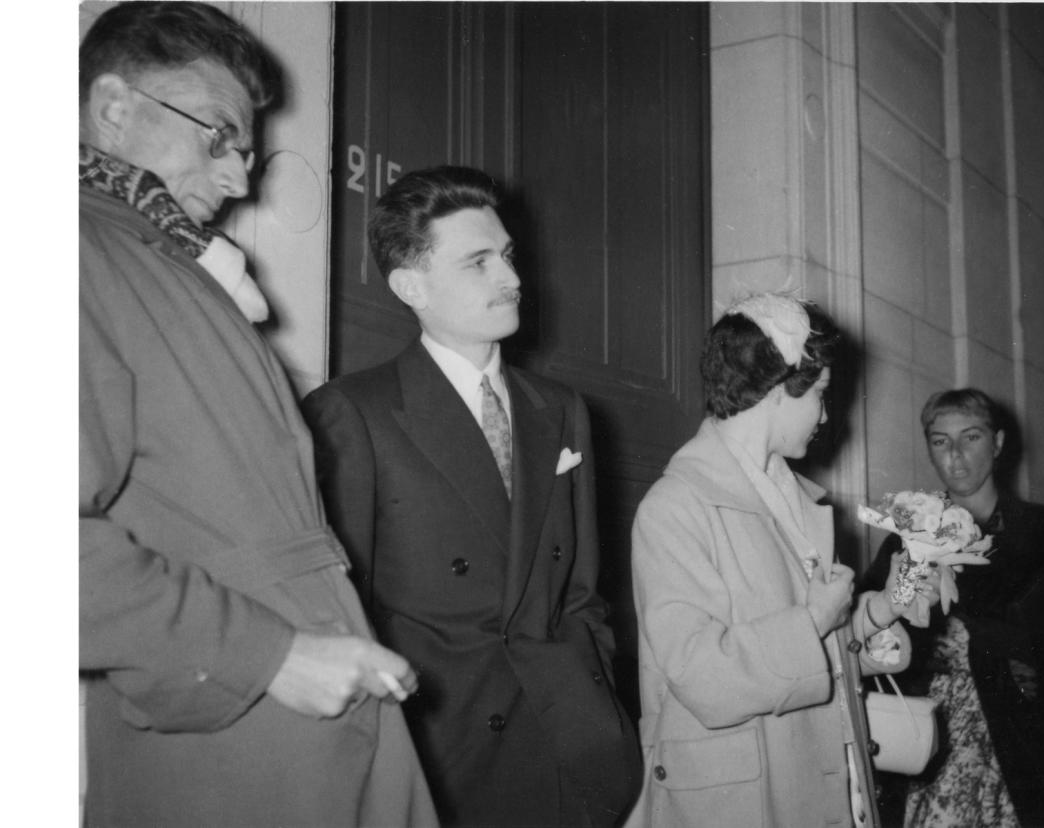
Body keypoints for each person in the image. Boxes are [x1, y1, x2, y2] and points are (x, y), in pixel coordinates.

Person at [79, 3, 437, 826]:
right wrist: (266, 655)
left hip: (302, 720)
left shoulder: (166, 264)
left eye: (247, 151)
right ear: (114, 108)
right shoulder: (74, 253)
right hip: (235, 740)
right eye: (216, 137)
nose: (241, 180)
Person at [302, 166, 642, 827]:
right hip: (445, 758)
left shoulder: (562, 410)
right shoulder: (354, 413)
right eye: (478, 262)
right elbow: (342, 615)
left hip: (568, 751)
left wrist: (599, 717)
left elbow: (580, 593)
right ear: (411, 285)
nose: (512, 279)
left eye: (508, 257)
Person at [626, 295, 931, 828]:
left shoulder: (791, 496)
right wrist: (814, 619)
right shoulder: (674, 507)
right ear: (774, 392)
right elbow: (704, 678)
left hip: (818, 784)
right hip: (739, 805)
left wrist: (882, 608)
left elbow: (814, 640)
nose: (826, 415)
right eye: (819, 394)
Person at [861, 388, 1044, 827]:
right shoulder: (907, 539)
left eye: (971, 438)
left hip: (1029, 746)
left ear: (999, 443)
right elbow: (872, 635)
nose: (956, 455)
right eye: (940, 441)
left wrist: (998, 643)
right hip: (933, 744)